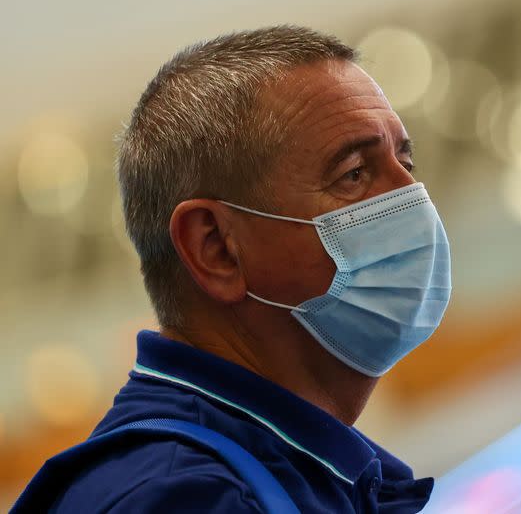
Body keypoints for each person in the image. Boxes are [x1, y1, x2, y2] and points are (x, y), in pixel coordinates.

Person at [16, 25, 451, 513]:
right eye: (353, 174)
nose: (412, 200)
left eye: (406, 164)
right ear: (217, 248)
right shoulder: (180, 497)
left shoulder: (301, 473)